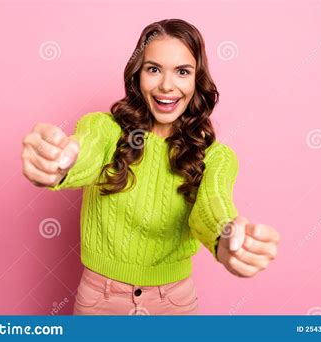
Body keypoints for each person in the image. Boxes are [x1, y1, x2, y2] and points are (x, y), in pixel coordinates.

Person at [21, 18, 280, 315]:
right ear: (137, 75)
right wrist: (56, 163)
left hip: (175, 306)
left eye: (182, 72)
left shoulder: (216, 157)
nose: (167, 86)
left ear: (197, 80)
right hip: (99, 303)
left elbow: (212, 206)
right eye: (153, 69)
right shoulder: (104, 129)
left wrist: (227, 237)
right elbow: (84, 153)